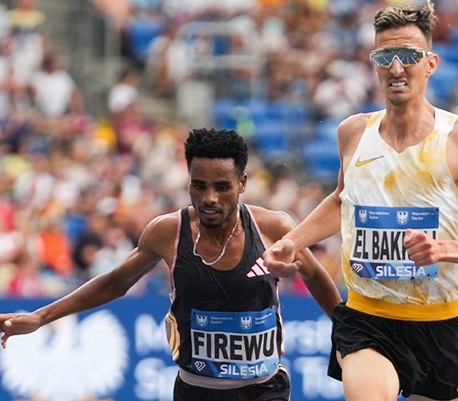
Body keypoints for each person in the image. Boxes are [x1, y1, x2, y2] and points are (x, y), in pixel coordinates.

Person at [263, 2, 458, 401]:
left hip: (441, 323)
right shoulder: (353, 132)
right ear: (373, 63)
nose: (396, 67)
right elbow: (341, 200)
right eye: (385, 56)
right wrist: (293, 242)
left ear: (431, 63)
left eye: (408, 56)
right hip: (369, 319)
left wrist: (443, 249)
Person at [0, 128, 342, 401]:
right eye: (199, 185)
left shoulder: (272, 228)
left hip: (265, 389)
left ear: (242, 184)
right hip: (196, 390)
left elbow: (314, 275)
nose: (209, 197)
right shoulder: (167, 232)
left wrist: (349, 331)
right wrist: (41, 317)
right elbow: (115, 282)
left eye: (222, 187)